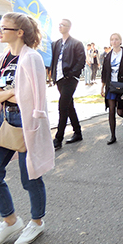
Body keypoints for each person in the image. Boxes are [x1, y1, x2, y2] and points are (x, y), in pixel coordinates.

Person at [0, 12, 55, 244]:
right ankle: (10, 222)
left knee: (30, 177)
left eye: (3, 28)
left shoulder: (32, 59)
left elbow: (33, 99)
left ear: (19, 32)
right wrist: (10, 93)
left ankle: (37, 222)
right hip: (4, 123)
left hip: (28, 125)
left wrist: (5, 94)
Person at [50, 19, 86, 150]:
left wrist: (71, 74)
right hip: (59, 79)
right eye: (59, 24)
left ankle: (58, 138)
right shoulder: (56, 44)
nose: (60, 26)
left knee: (62, 106)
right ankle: (78, 132)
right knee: (69, 106)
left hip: (70, 79)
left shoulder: (76, 43)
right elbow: (53, 60)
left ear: (69, 27)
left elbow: (81, 61)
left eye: (63, 25)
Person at [100, 33, 123, 145]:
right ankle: (113, 136)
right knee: (111, 110)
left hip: (122, 86)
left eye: (116, 39)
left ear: (120, 41)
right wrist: (102, 87)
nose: (114, 41)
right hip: (111, 86)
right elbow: (104, 73)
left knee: (120, 111)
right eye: (112, 40)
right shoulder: (107, 56)